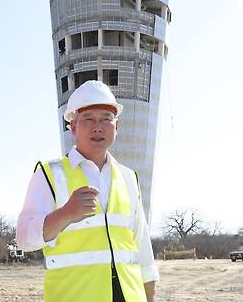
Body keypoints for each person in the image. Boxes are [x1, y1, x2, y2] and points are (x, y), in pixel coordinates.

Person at [16, 80, 160, 302]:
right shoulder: (49, 174)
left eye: (106, 119)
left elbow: (141, 246)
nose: (98, 127)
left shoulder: (128, 177)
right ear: (72, 126)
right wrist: (65, 214)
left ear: (117, 126)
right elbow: (25, 239)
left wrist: (150, 295)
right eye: (88, 119)